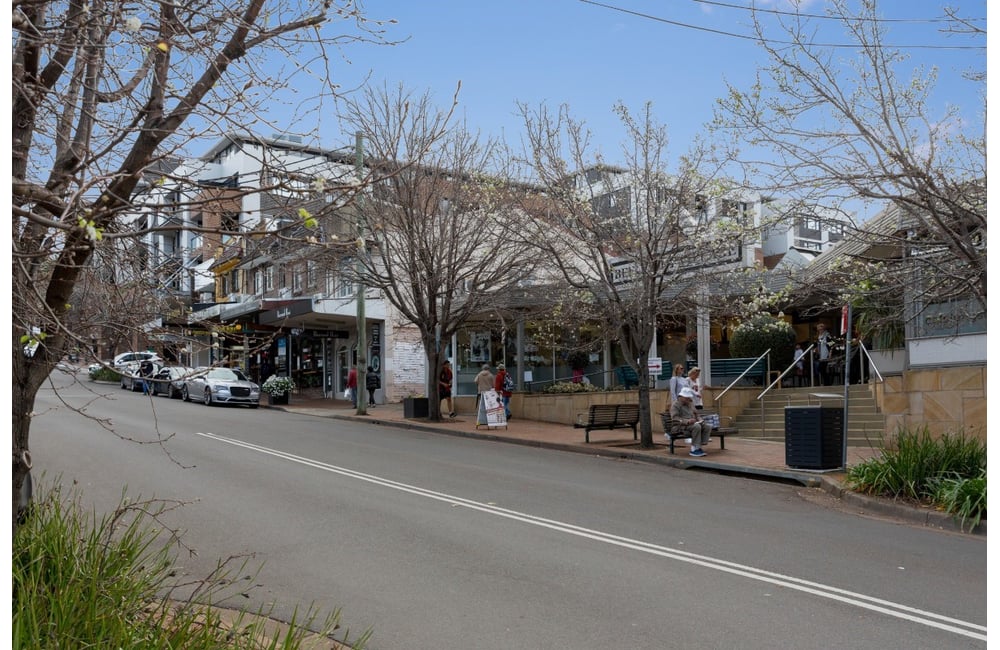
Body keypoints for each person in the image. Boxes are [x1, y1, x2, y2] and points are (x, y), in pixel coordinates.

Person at [669, 386, 712, 457]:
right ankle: (694, 449)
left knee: (707, 426)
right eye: (686, 398)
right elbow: (675, 418)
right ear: (681, 396)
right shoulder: (675, 405)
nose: (688, 399)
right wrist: (687, 421)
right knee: (696, 426)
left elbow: (696, 414)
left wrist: (700, 419)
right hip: (680, 426)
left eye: (688, 397)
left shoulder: (690, 403)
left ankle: (699, 446)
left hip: (692, 423)